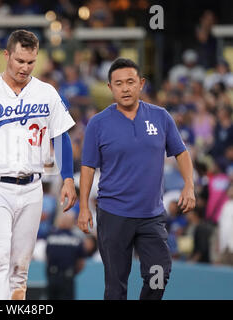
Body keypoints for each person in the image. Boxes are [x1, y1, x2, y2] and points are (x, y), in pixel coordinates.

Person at [0, 30, 77, 300]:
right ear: (6, 55)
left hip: (32, 186)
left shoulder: (46, 92)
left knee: (21, 268)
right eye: (20, 60)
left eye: (31, 62)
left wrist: (67, 178)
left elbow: (61, 136)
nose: (25, 67)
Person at [78, 58, 195, 300]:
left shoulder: (161, 117)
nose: (125, 88)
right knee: (115, 287)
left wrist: (189, 186)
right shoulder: (98, 124)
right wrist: (83, 208)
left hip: (151, 215)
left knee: (159, 273)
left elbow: (181, 152)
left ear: (141, 83)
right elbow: (88, 167)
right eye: (118, 83)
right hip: (113, 215)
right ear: (110, 88)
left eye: (130, 82)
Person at [46, 213, 86, 300]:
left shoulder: (51, 237)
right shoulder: (77, 239)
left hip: (53, 275)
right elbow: (81, 263)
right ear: (72, 223)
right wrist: (72, 273)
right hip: (68, 277)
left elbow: (47, 257)